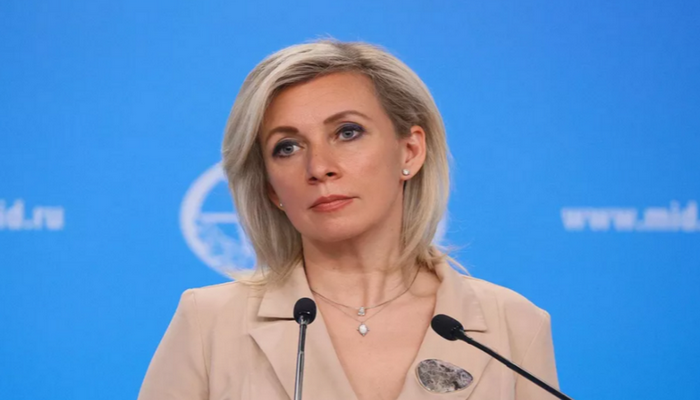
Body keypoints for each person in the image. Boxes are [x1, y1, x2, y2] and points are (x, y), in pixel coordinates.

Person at [138, 39, 559, 400]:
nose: (319, 167)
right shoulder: (209, 323)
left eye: (347, 132)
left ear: (410, 151)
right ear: (271, 188)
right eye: (287, 147)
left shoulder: (513, 325)